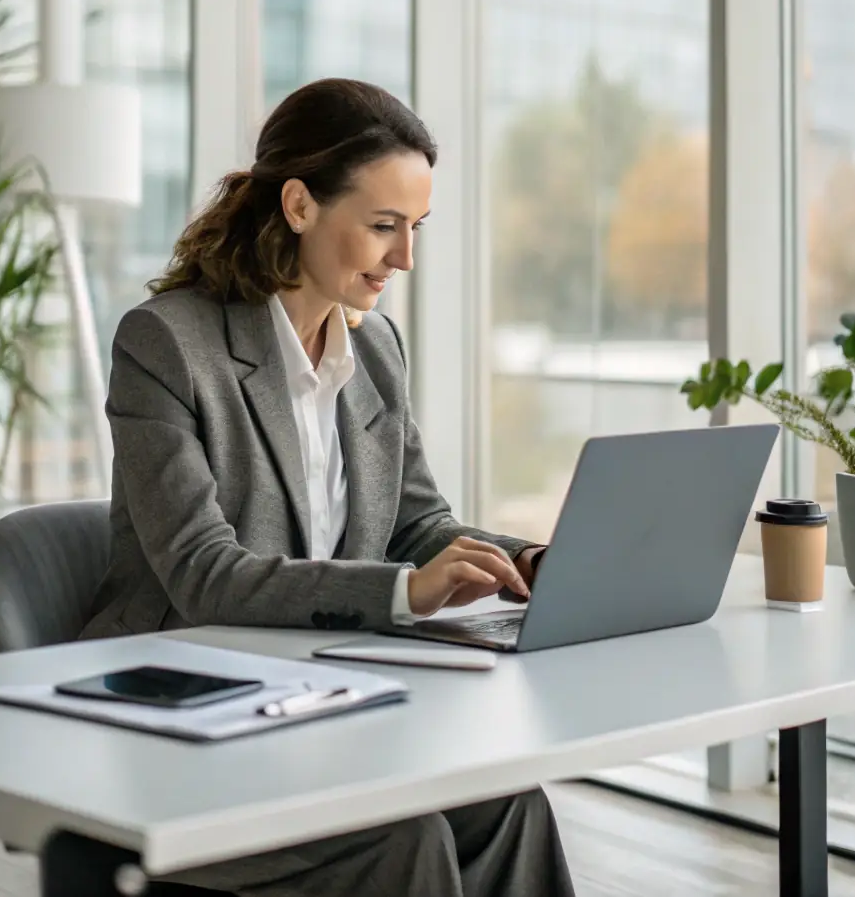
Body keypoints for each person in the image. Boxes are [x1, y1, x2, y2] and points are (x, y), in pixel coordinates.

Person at [81, 78, 575, 897]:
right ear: (301, 205)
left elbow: (419, 523)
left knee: (509, 804)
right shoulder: (167, 344)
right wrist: (405, 592)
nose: (406, 257)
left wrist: (523, 559)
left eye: (415, 228)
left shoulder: (374, 347)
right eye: (383, 226)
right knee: (402, 841)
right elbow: (204, 573)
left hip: (321, 696)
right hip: (185, 708)